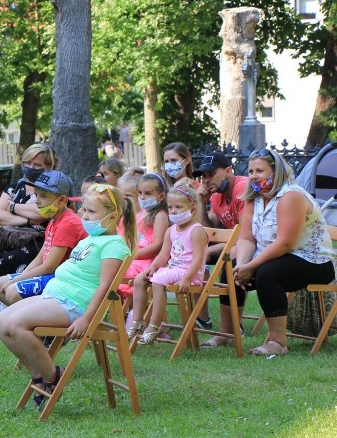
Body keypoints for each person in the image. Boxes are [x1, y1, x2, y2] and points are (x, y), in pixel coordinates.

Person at [0, 183, 135, 406]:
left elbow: (106, 288)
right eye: (84, 209)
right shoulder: (90, 239)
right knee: (1, 322)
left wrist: (86, 319)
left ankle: (53, 376)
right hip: (56, 294)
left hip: (74, 304)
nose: (83, 215)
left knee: (16, 325)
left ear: (112, 216)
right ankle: (39, 377)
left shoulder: (114, 245)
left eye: (91, 211)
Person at [233, 148, 336, 356]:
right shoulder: (255, 198)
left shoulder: (291, 196)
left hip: (313, 261)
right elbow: (246, 238)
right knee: (230, 269)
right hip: (280, 257)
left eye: (260, 170)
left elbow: (285, 244)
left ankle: (277, 342)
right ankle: (228, 334)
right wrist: (241, 266)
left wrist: (251, 266)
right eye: (251, 171)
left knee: (268, 273)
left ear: (276, 171)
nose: (253, 175)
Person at [0, 143, 55, 331]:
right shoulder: (14, 187)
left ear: (48, 166)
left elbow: (41, 214)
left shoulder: (50, 188)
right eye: (27, 163)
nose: (31, 168)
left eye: (37, 165)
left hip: (37, 242)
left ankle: (4, 311)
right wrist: (28, 220)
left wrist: (13, 207)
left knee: (8, 260)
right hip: (11, 237)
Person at [0, 170, 86, 306]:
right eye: (36, 195)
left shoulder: (68, 223)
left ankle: (37, 321)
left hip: (64, 281)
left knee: (12, 290)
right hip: (52, 276)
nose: (37, 201)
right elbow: (41, 258)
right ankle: (29, 319)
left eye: (44, 196)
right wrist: (22, 276)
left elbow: (48, 267)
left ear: (62, 200)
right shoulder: (53, 221)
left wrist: (16, 281)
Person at [129, 184, 208, 345]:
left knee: (158, 281)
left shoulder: (196, 230)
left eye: (179, 207)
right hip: (173, 270)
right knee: (140, 279)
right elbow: (164, 255)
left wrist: (186, 279)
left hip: (188, 273)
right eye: (170, 207)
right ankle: (137, 322)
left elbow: (198, 259)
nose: (173, 211)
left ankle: (155, 325)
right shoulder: (171, 231)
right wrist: (151, 268)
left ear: (192, 209)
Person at [194, 152, 249, 340]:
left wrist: (211, 250)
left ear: (227, 171)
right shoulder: (216, 196)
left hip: (256, 245)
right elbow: (211, 233)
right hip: (235, 245)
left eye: (211, 174)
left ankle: (229, 331)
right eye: (203, 176)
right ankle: (201, 318)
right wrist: (201, 203)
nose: (206, 180)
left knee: (231, 259)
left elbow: (247, 236)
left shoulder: (242, 188)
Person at [118, 173, 169, 312]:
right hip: (136, 256)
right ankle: (126, 315)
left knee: (124, 270)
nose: (142, 197)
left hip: (149, 261)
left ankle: (137, 315)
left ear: (161, 196)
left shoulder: (160, 216)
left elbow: (158, 245)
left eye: (148, 193)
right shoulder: (140, 214)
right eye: (140, 193)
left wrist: (134, 254)